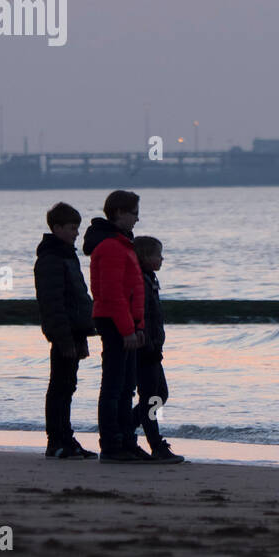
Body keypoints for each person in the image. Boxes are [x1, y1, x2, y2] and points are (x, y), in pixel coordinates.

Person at [83, 190, 147, 463]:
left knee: (126, 386)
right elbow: (111, 293)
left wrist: (139, 325)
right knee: (114, 385)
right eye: (134, 213)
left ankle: (127, 441)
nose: (137, 219)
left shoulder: (122, 244)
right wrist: (127, 329)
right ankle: (111, 444)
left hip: (126, 322)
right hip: (113, 322)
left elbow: (133, 291)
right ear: (119, 213)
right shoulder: (110, 246)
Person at [33, 201, 97, 459]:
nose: (76, 233)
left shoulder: (67, 256)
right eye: (72, 228)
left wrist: (86, 328)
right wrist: (63, 338)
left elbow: (79, 296)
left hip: (75, 330)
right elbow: (52, 304)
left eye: (77, 228)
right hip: (64, 332)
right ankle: (56, 440)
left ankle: (66, 437)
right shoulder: (51, 259)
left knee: (68, 385)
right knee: (60, 386)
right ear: (57, 228)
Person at [130, 235, 183, 463]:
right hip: (145, 349)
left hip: (153, 348)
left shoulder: (149, 279)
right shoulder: (140, 281)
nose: (162, 259)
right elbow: (142, 316)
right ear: (145, 257)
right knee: (152, 397)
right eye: (157, 255)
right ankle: (156, 444)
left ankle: (125, 426)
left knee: (159, 395)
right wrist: (149, 344)